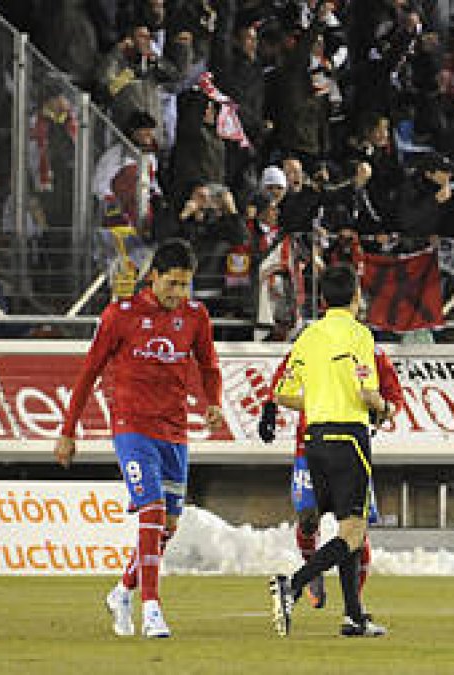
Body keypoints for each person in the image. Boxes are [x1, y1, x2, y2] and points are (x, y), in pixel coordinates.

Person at [54, 239, 224, 639]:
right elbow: (88, 373)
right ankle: (152, 608)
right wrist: (67, 431)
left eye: (185, 285)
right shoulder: (120, 314)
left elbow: (209, 366)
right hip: (132, 427)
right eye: (172, 284)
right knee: (151, 508)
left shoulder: (196, 316)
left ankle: (121, 592)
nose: (179, 294)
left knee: (167, 525)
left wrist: (213, 403)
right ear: (154, 277)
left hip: (175, 431)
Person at [268, 264, 391, 638]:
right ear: (356, 297)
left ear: (323, 300)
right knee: (354, 532)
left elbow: (283, 394)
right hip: (349, 438)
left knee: (343, 529)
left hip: (315, 441)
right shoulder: (359, 336)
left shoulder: (308, 336)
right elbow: (366, 393)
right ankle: (291, 585)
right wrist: (383, 407)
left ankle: (354, 617)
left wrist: (319, 400)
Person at [259, 345, 404, 610]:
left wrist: (381, 410)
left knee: (355, 530)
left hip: (352, 446)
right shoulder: (311, 343)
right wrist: (269, 406)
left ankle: (353, 603)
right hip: (310, 445)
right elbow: (283, 379)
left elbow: (395, 398)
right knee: (309, 519)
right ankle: (311, 573)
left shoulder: (373, 352)